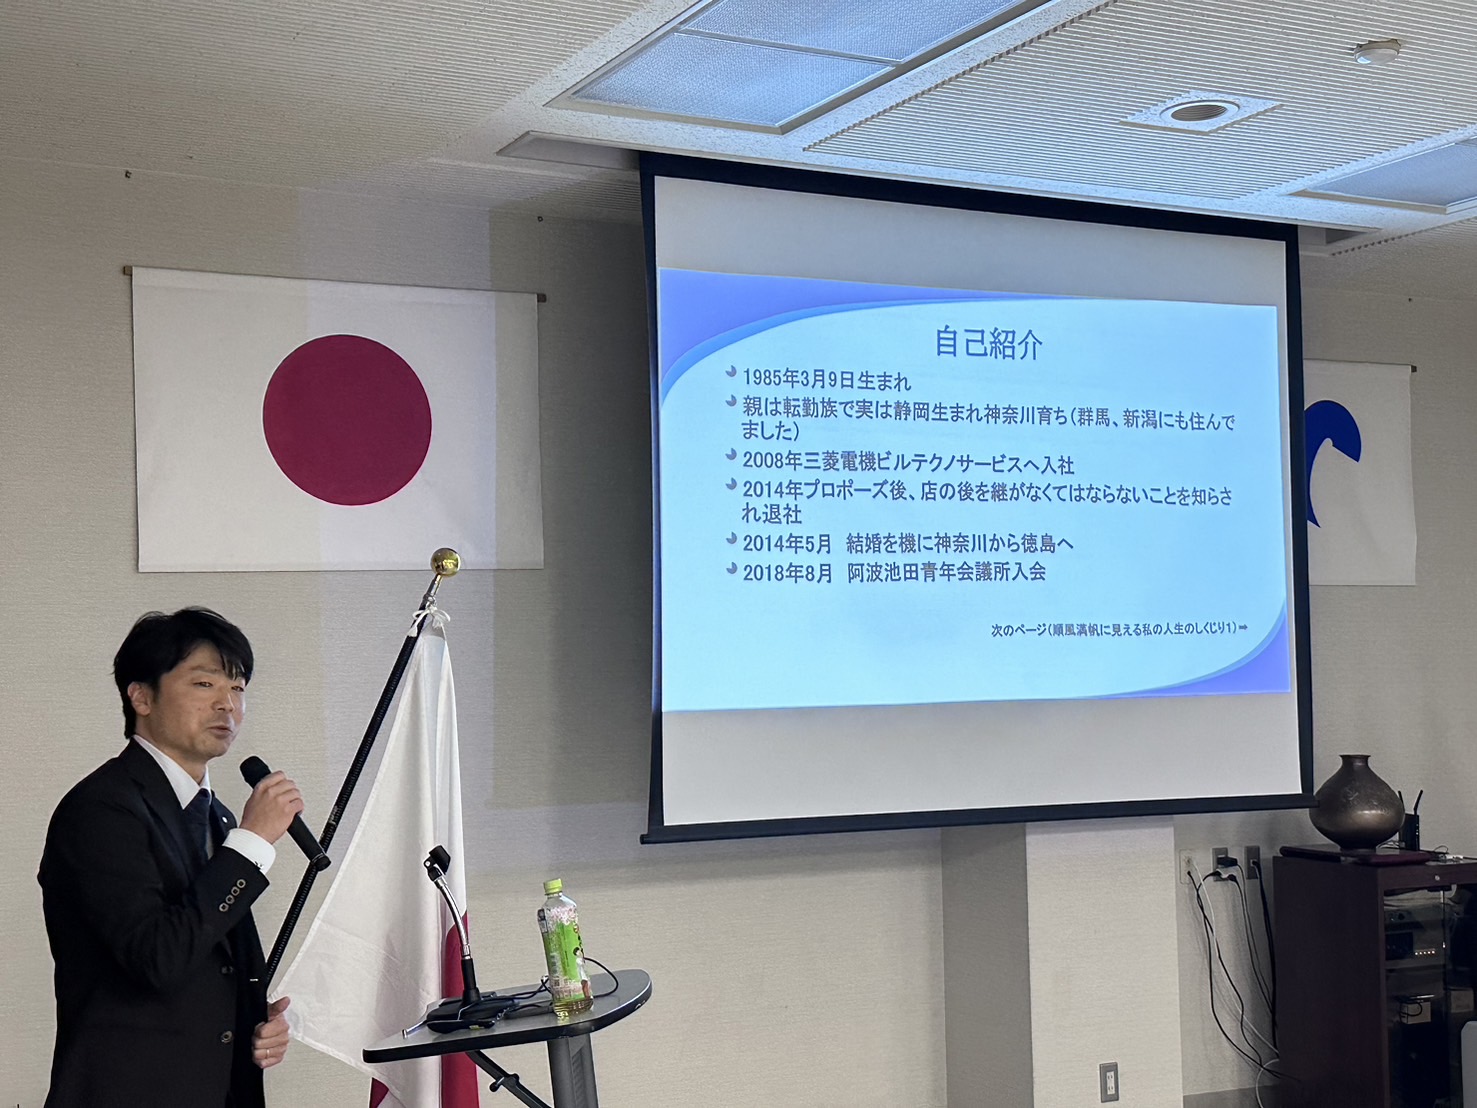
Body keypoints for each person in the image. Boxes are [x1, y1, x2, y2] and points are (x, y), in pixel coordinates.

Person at [38, 607, 306, 1108]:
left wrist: (254, 1019)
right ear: (141, 696)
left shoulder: (217, 815)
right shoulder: (101, 807)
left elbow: (208, 958)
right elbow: (157, 958)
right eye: (205, 684)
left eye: (238, 687)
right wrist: (251, 842)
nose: (227, 704)